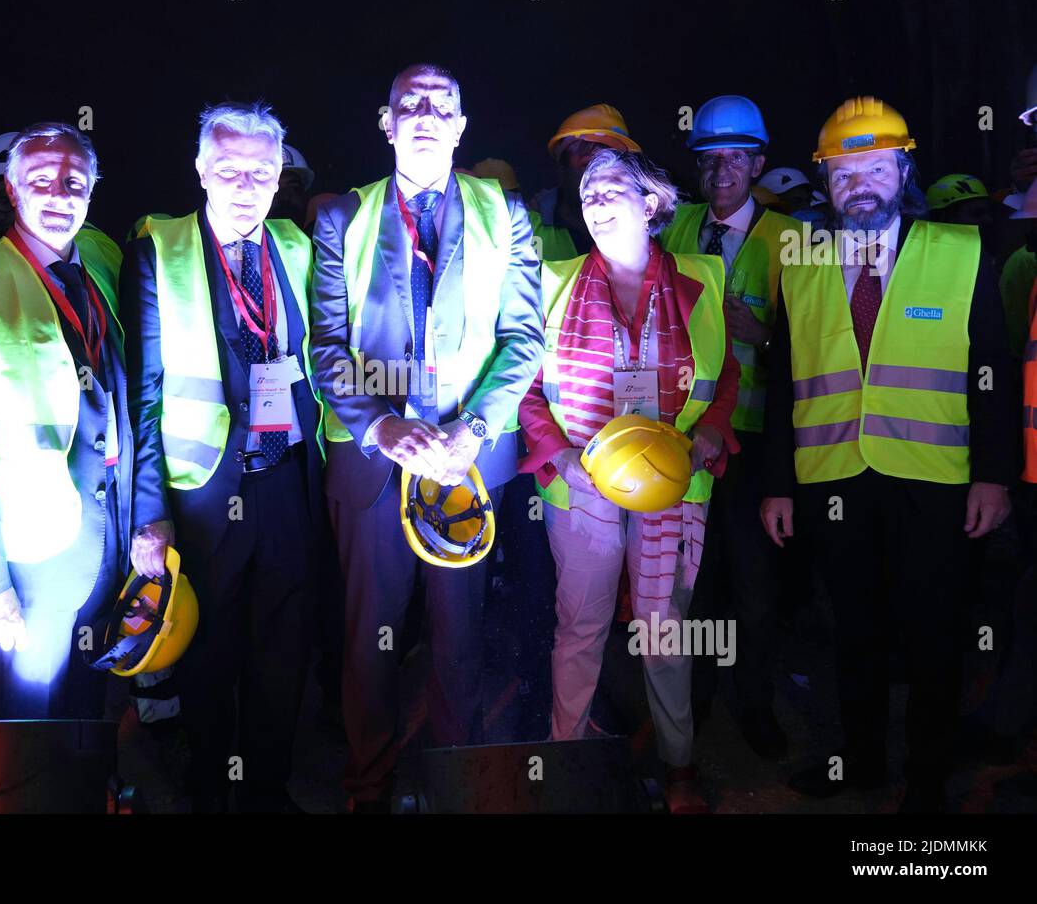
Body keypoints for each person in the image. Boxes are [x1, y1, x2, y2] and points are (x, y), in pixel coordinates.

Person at [761, 97, 1016, 812]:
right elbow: (782, 386)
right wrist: (778, 484)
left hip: (936, 481)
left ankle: (928, 781)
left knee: (933, 633)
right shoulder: (801, 264)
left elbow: (989, 376)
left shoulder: (960, 254)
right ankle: (863, 761)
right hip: (833, 478)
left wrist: (994, 476)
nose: (861, 183)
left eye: (876, 166)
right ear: (828, 183)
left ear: (902, 169)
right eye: (845, 172)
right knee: (853, 631)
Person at [311, 64, 543, 811]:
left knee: (459, 636)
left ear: (461, 126)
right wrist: (379, 425)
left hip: (465, 462)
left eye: (440, 105)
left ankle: (456, 782)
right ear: (386, 123)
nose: (423, 114)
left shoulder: (503, 212)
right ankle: (369, 785)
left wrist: (474, 428)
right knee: (370, 639)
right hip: (376, 463)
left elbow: (524, 334)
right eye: (408, 104)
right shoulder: (341, 216)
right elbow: (324, 346)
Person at [520, 148, 738, 813]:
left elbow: (724, 373)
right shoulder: (551, 282)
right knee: (579, 626)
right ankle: (569, 756)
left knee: (663, 630)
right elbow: (525, 388)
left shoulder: (701, 277)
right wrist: (558, 458)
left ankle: (677, 767)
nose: (595, 199)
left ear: (651, 203)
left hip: (670, 486)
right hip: (580, 487)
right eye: (586, 190)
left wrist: (713, 428)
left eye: (612, 187)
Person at [123, 102, 324, 813]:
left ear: (279, 179)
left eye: (262, 172)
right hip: (203, 489)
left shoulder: (296, 249)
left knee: (283, 647)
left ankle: (266, 788)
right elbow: (141, 397)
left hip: (289, 481)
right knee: (208, 652)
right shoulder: (159, 250)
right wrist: (150, 512)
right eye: (231, 169)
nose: (246, 185)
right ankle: (211, 787)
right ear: (202, 169)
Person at [0, 122, 131, 719]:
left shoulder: (95, 270)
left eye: (74, 182)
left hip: (108, 533)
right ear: (12, 191)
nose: (59, 194)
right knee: (32, 720)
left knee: (93, 705)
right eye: (41, 181)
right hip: (31, 552)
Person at [661, 94, 800, 758]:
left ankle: (755, 705)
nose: (721, 174)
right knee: (694, 578)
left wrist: (766, 336)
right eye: (710, 162)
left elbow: (817, 345)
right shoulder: (677, 228)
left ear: (758, 165)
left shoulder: (792, 239)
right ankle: (697, 698)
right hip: (687, 438)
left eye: (735, 161)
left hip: (754, 442)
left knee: (755, 584)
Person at [531, 104, 642, 262]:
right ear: (562, 167)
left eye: (608, 157)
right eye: (586, 163)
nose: (596, 178)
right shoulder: (528, 228)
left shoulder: (656, 223)